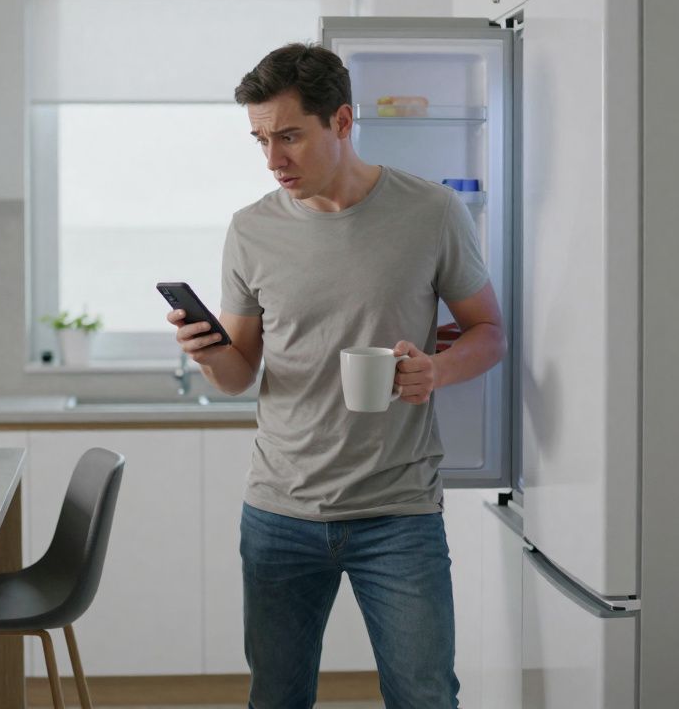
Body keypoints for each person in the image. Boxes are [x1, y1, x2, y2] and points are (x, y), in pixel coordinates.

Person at [166, 43, 505, 708]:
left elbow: (489, 332)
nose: (273, 159)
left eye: (289, 136)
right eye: (261, 140)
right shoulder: (251, 230)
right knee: (277, 697)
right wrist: (206, 352)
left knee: (425, 697)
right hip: (279, 510)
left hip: (398, 511)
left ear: (343, 122)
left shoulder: (432, 211)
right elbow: (238, 375)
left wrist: (435, 371)